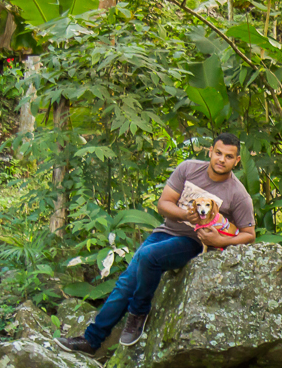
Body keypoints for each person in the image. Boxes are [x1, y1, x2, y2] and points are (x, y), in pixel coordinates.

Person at [55, 133, 256, 354]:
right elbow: (163, 204)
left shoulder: (238, 194)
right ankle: (90, 341)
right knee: (126, 284)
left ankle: (139, 312)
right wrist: (184, 214)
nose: (222, 159)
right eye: (218, 153)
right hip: (166, 231)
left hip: (195, 242)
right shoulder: (188, 169)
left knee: (148, 256)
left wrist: (219, 240)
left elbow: (249, 234)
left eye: (229, 156)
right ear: (210, 151)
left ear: (237, 161)